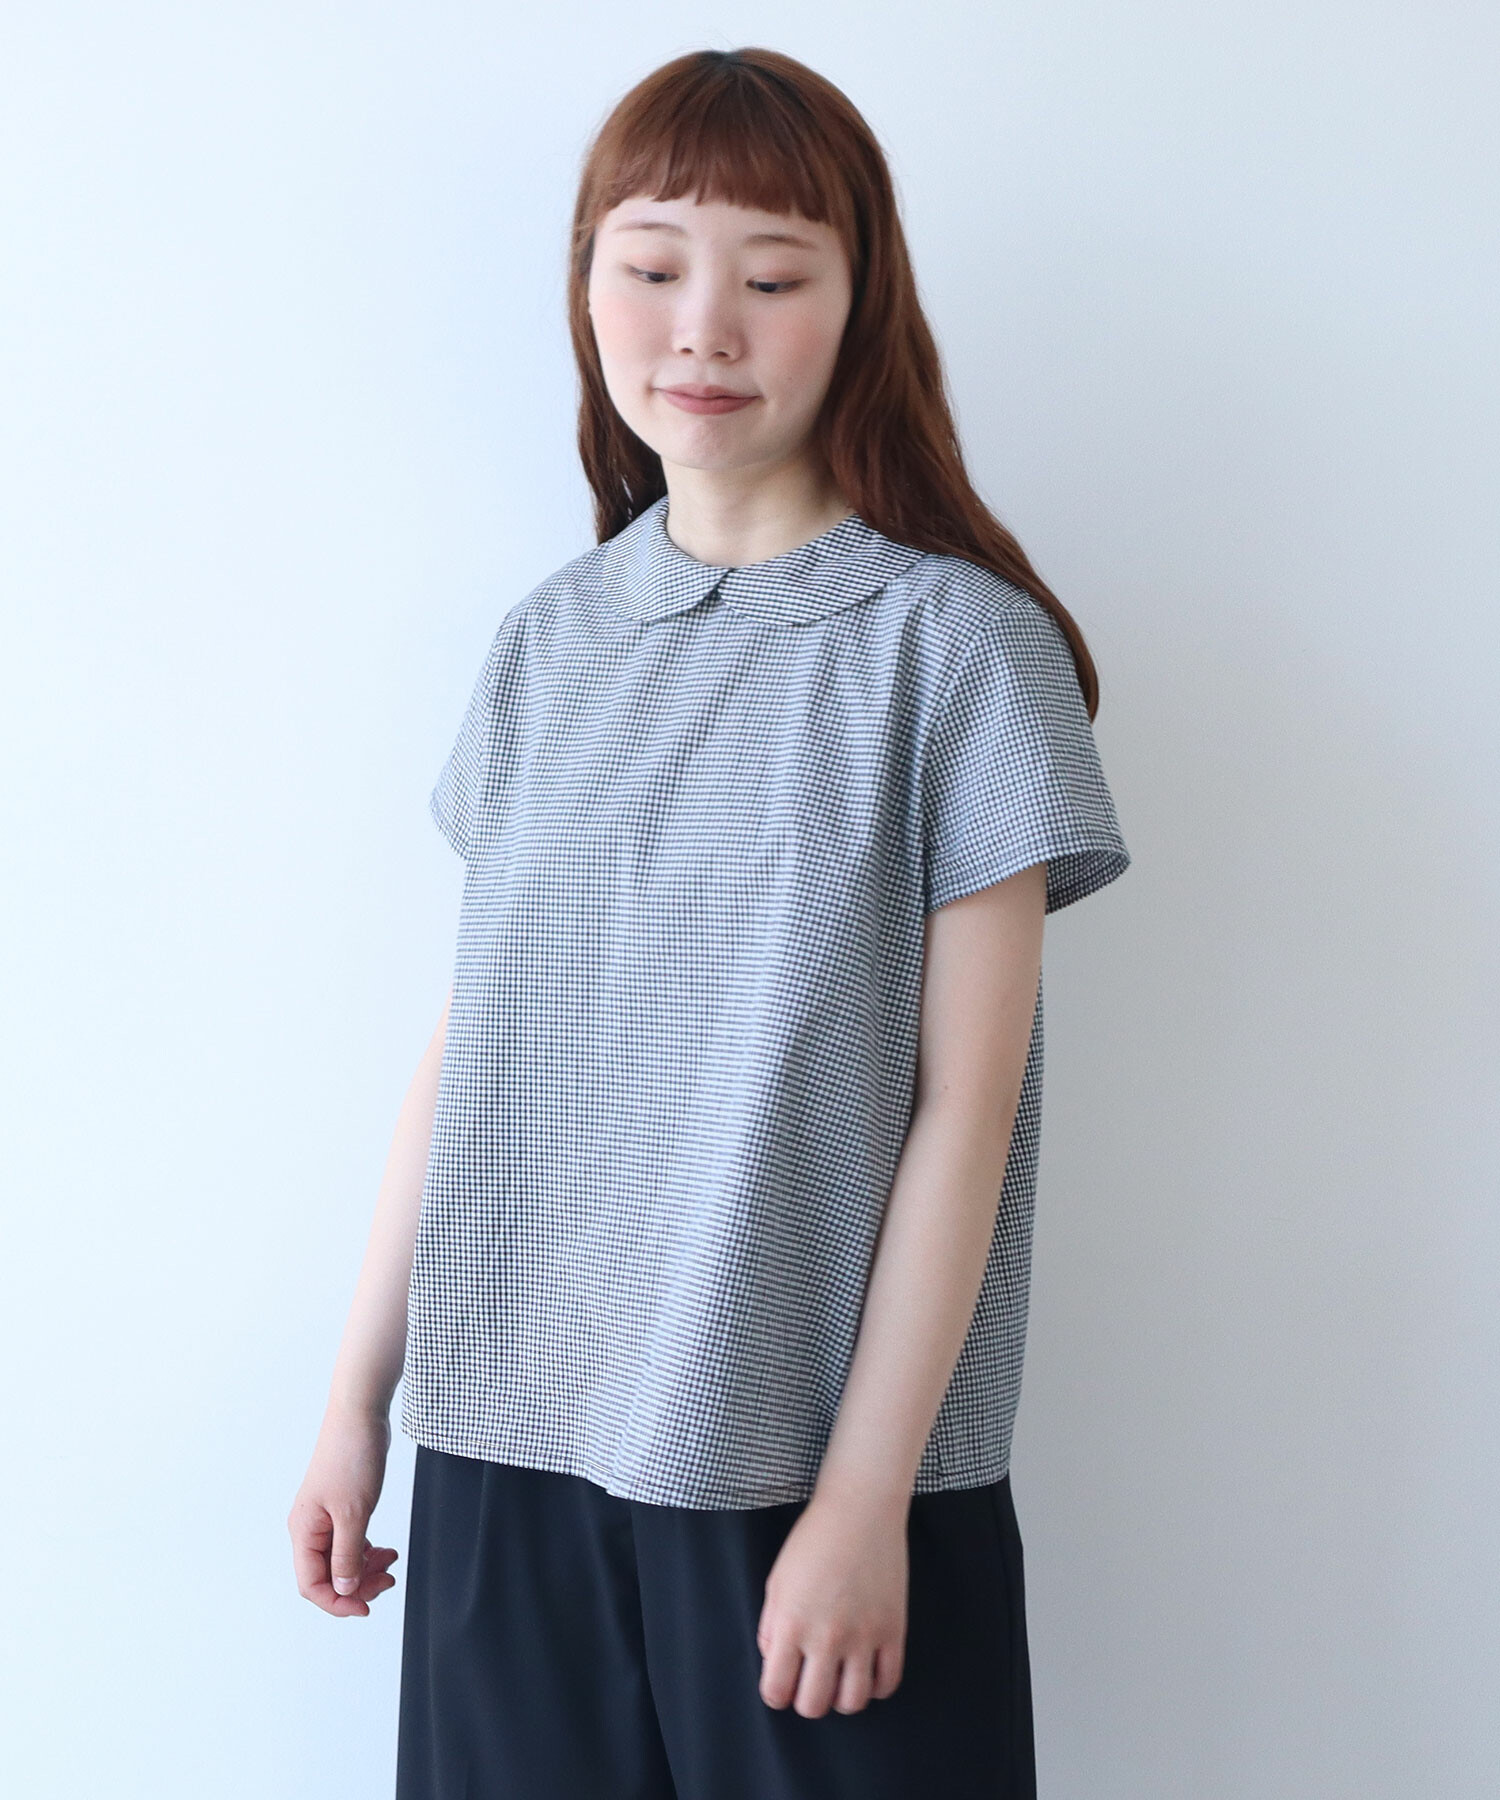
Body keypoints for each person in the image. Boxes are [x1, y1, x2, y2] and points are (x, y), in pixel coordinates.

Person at [288, 45, 1130, 1800]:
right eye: (654, 265)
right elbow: (474, 1048)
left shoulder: (958, 651)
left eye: (773, 276)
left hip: (805, 1464)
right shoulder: (548, 642)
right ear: (587, 284)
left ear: (861, 303)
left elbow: (965, 1115)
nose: (703, 329)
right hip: (509, 1447)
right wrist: (360, 1398)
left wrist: (866, 1499)